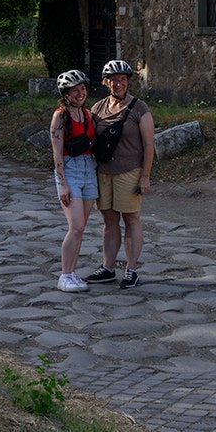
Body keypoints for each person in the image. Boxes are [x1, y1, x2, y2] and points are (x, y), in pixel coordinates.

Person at [84, 59, 154, 289]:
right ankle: (108, 267)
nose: (118, 84)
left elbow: (149, 145)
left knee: (131, 218)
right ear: (106, 82)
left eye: (122, 80)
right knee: (109, 220)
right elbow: (90, 137)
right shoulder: (98, 108)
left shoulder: (139, 109)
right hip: (104, 172)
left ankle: (131, 270)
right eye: (114, 80)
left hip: (129, 171)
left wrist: (145, 176)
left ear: (128, 82)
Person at [49, 69, 97, 293]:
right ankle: (65, 274)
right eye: (75, 90)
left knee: (81, 227)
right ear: (65, 94)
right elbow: (57, 152)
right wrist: (63, 183)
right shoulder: (61, 116)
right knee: (75, 226)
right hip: (70, 169)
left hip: (88, 168)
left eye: (82, 89)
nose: (80, 93)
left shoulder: (87, 114)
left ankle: (73, 272)